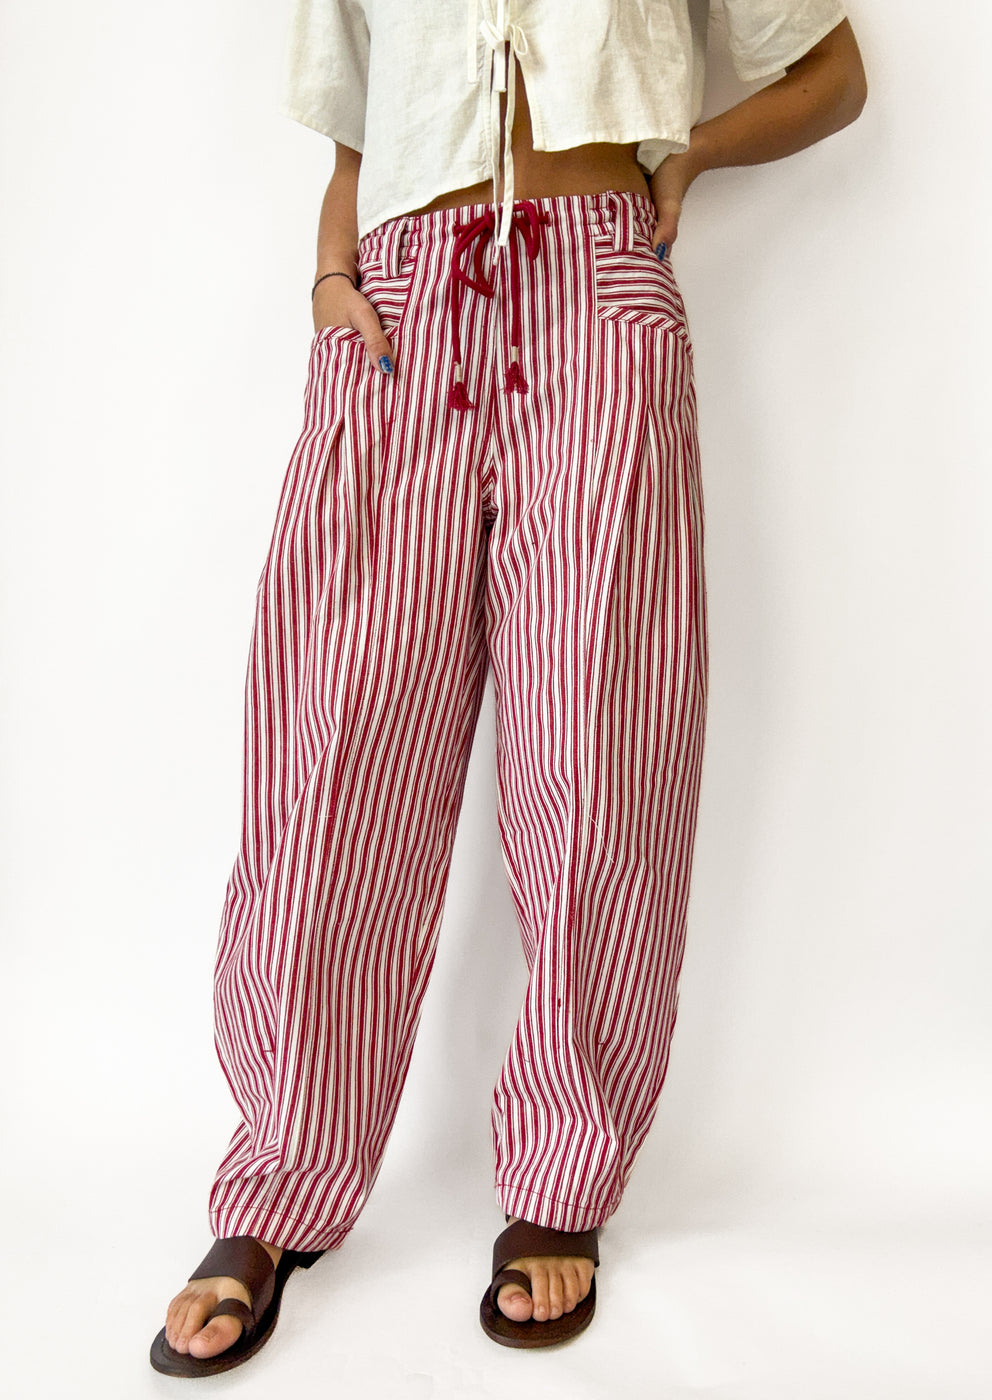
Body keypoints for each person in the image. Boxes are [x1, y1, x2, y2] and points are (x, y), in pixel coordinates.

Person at [151, 0, 867, 1376]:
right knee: (332, 757)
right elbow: (355, 142)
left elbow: (832, 77)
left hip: (599, 287)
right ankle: (279, 1179)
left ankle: (561, 1176)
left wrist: (687, 157)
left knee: (597, 755)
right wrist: (328, 279)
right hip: (397, 309)